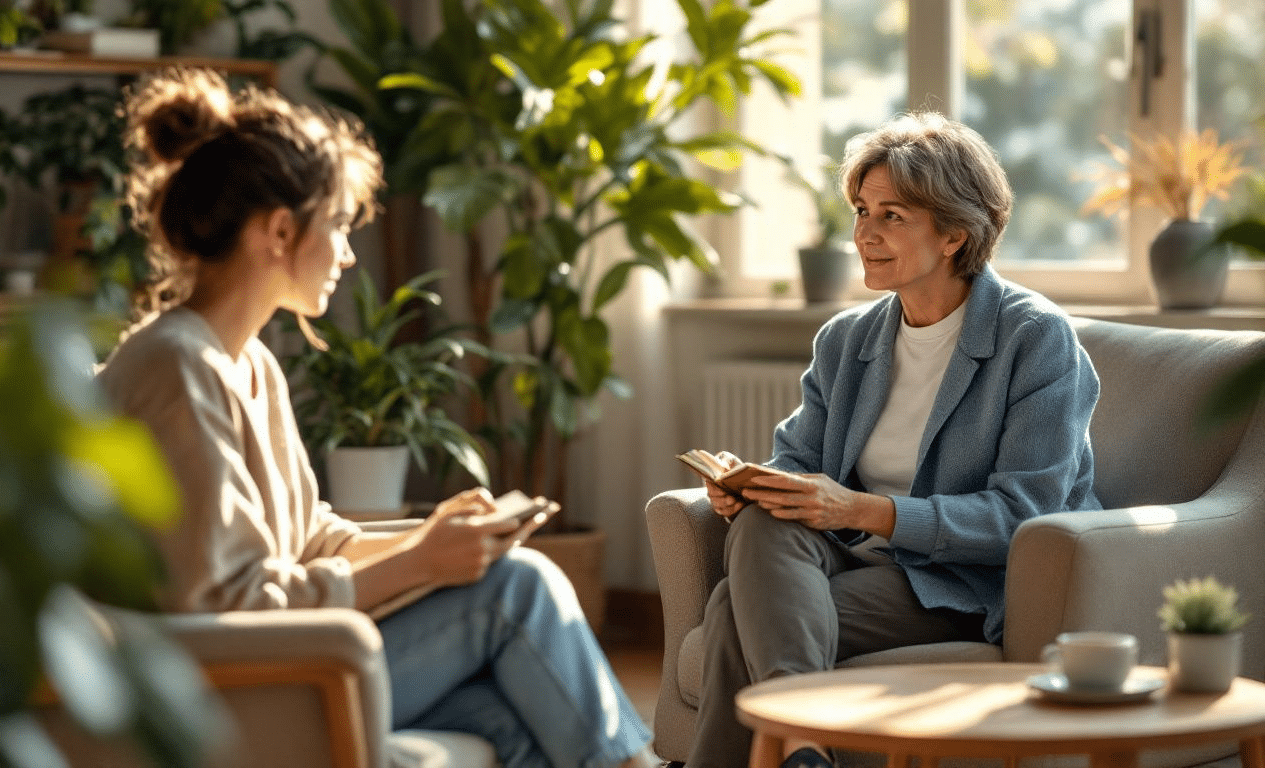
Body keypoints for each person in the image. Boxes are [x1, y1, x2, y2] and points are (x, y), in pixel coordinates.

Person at [96, 67, 656, 768]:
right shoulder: (176, 368)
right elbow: (224, 604)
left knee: (516, 716)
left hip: (285, 663)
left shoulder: (249, 363)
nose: (349, 252)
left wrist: (431, 538)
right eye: (337, 225)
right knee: (520, 588)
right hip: (230, 690)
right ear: (278, 230)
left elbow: (310, 540)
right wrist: (421, 562)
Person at [687, 112, 1102, 768]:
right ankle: (801, 748)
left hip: (958, 581)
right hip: (853, 560)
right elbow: (800, 460)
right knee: (762, 526)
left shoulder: (1035, 339)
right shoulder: (847, 339)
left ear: (954, 233)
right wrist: (753, 484)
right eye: (860, 210)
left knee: (733, 609)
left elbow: (1025, 515)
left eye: (892, 216)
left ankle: (793, 745)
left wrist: (863, 511)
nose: (864, 235)